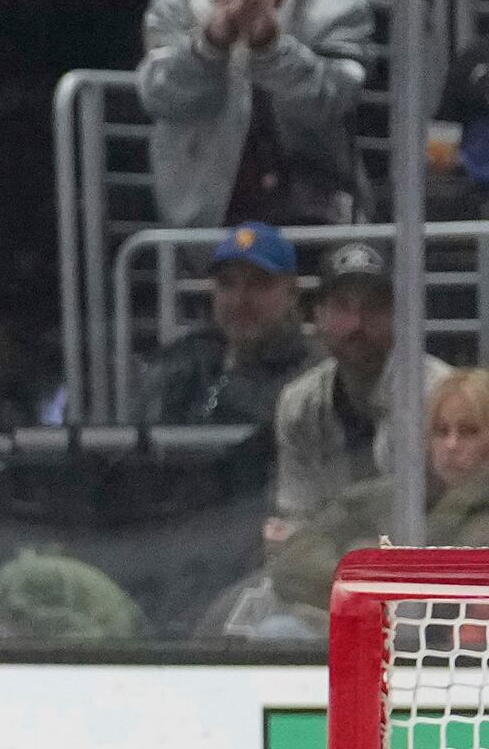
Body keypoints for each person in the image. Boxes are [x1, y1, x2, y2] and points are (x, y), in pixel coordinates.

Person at [138, 0, 375, 227]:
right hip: (206, 209)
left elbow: (332, 102)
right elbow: (160, 97)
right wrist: (212, 42)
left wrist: (270, 46)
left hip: (317, 202)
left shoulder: (339, 4)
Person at [271, 239, 455, 531]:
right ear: (318, 316)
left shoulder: (441, 394)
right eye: (342, 306)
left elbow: (457, 516)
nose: (357, 323)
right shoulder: (299, 403)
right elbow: (298, 517)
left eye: (374, 307)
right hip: (332, 562)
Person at [283, 366, 489, 613]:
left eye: (469, 432)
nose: (451, 445)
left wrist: (375, 569)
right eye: (441, 431)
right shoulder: (382, 498)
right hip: (358, 631)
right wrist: (360, 574)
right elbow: (292, 562)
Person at [146, 221, 322, 429]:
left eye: (258, 284)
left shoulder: (317, 377)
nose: (240, 300)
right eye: (227, 283)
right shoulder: (181, 362)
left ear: (292, 294)